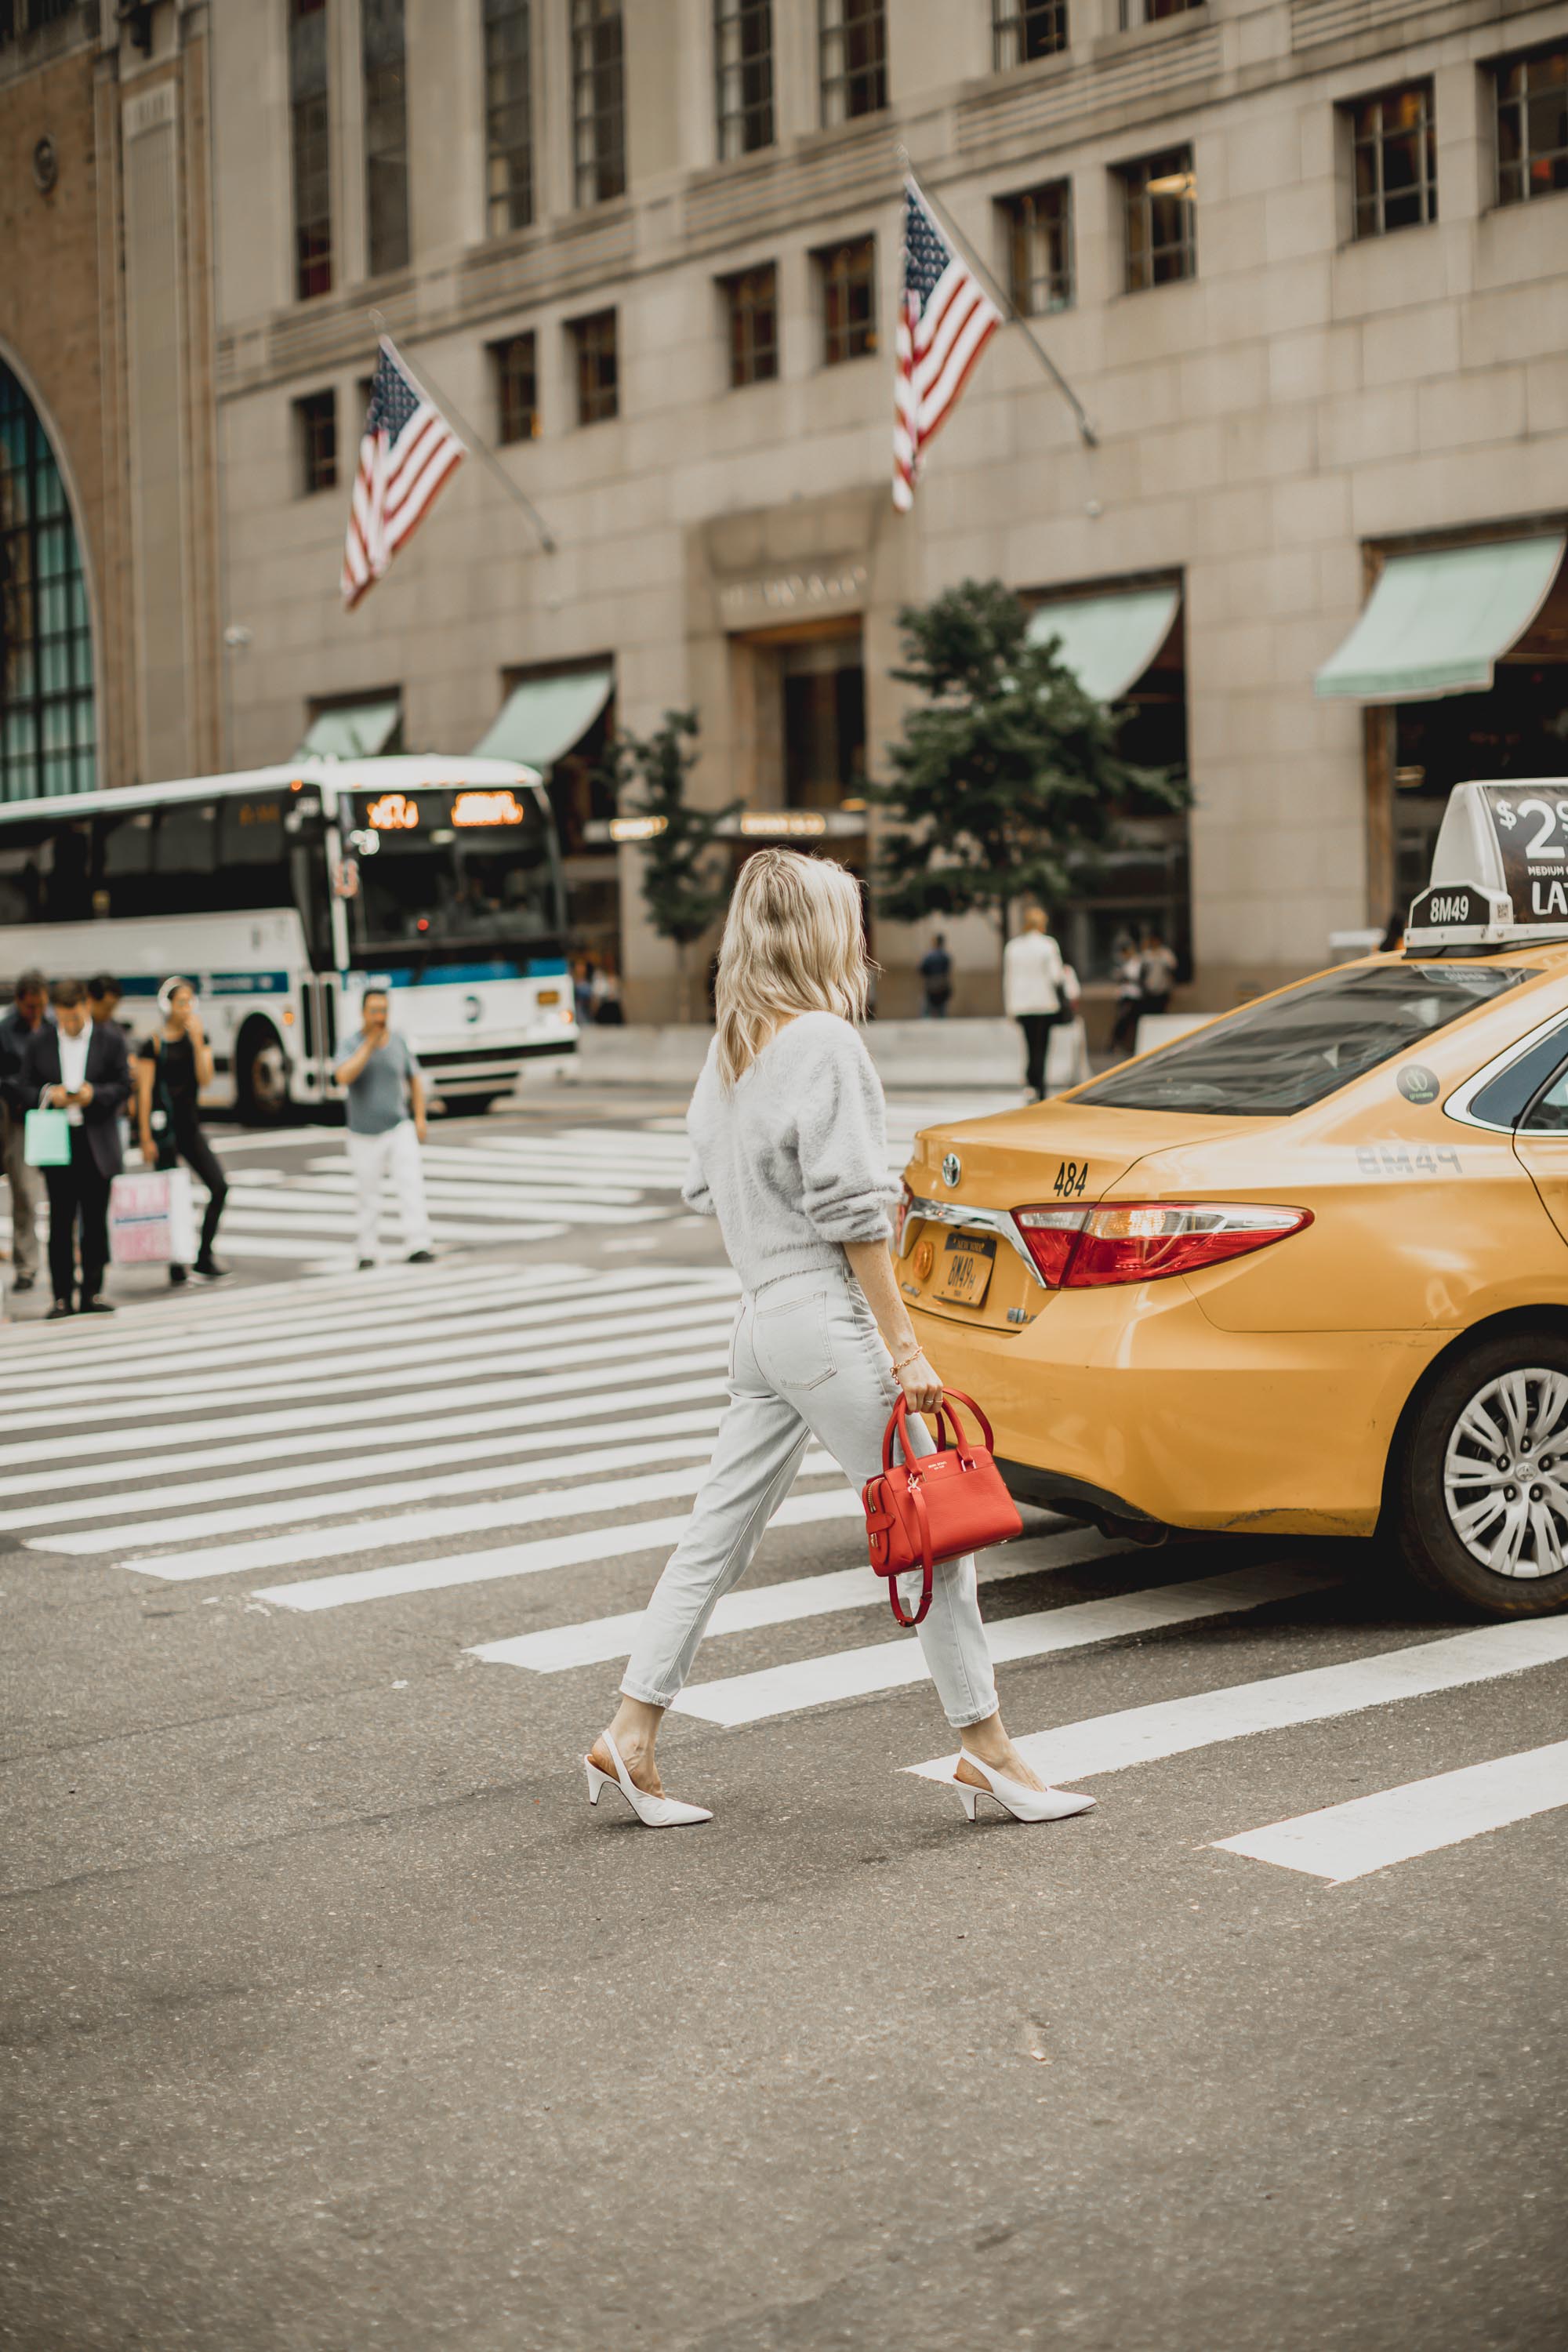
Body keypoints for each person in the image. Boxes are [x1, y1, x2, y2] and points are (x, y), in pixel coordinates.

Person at [583, 848, 1093, 1831]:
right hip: (822, 1316)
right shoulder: (824, 1044)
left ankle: (630, 1733)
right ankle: (989, 1754)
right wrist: (905, 1350)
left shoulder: (732, 1045)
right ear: (818, 933)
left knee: (713, 1540)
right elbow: (857, 1217)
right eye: (846, 920)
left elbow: (704, 1186)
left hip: (757, 1319)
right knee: (936, 1532)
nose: (859, 938)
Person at [12, 978, 131, 1319]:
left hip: (96, 1137)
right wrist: (51, 1094)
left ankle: (92, 1292)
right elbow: (24, 1087)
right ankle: (61, 1296)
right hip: (58, 1138)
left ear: (85, 1006)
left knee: (94, 1221)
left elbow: (124, 1085)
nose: (70, 1024)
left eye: (75, 1017)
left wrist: (96, 1095)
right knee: (61, 1221)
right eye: (64, 1019)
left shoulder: (110, 1038)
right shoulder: (41, 1041)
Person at [135, 978, 229, 1285]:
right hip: (164, 1130)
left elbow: (205, 1079)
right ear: (167, 1006)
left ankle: (204, 1256)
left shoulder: (197, 1038)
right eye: (180, 1002)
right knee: (171, 1198)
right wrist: (145, 1136)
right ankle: (176, 1265)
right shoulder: (154, 1043)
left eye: (190, 1001)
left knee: (219, 1186)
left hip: (190, 1126)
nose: (186, 1008)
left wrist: (200, 1040)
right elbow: (144, 1092)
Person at [332, 987, 434, 1269]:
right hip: (363, 1133)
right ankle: (367, 1249)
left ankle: (419, 1243)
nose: (380, 1017)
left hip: (398, 1126)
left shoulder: (398, 1040)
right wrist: (368, 1046)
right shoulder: (351, 1043)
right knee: (368, 1193)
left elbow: (414, 1077)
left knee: (410, 1183)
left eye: (384, 1010)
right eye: (374, 1011)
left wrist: (420, 1117)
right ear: (363, 1013)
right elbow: (342, 1075)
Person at [0, 967, 49, 1293]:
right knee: (25, 1194)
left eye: (40, 1006)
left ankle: (70, 1251)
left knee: (62, 1189)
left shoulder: (54, 1024)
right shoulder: (6, 1030)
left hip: (53, 1116)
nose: (36, 1013)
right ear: (19, 1001)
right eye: (31, 1007)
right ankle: (27, 1265)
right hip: (18, 1118)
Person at [1003, 905, 1066, 1102]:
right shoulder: (1048, 945)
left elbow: (1008, 979)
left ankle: (1031, 1083)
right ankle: (1040, 1085)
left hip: (1022, 1004)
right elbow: (1056, 976)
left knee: (1029, 1045)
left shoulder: (1013, 947)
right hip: (1044, 1003)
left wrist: (1010, 1008)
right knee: (1042, 1046)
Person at [1110, 937, 1144, 1056]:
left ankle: (1130, 1045)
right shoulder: (1122, 962)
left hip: (1135, 995)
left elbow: (1137, 976)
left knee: (1133, 1022)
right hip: (1125, 995)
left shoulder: (1137, 961)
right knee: (1122, 1020)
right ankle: (1116, 1044)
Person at [1138, 929, 1179, 1022]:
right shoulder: (1146, 954)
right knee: (1150, 1014)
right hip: (1149, 989)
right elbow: (1141, 971)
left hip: (1163, 989)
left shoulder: (1166, 953)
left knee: (1162, 1014)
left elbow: (1173, 967)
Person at [918, 931, 953, 1018]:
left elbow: (922, 969)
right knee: (942, 1010)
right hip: (942, 985)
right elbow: (947, 971)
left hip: (931, 985)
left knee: (926, 1010)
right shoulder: (946, 956)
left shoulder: (929, 956)